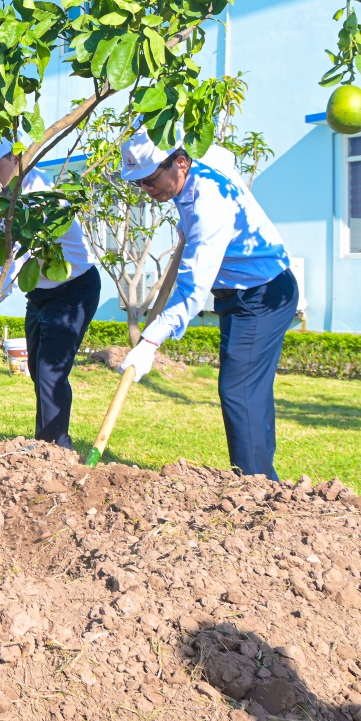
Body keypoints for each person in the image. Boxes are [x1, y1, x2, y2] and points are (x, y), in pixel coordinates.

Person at [117, 130, 296, 479]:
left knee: (239, 390)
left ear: (181, 162)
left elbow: (192, 291)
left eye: (150, 179)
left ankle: (256, 486)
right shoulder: (200, 162)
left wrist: (150, 342)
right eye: (138, 183)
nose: (146, 189)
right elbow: (224, 154)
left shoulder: (208, 203)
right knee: (249, 391)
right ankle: (264, 480)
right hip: (241, 293)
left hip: (263, 294)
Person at [0, 129, 99, 449]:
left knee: (50, 372)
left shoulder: (39, 195)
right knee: (37, 369)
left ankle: (56, 448)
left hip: (74, 290)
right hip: (41, 292)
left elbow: (15, 260)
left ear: (16, 158)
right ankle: (48, 443)